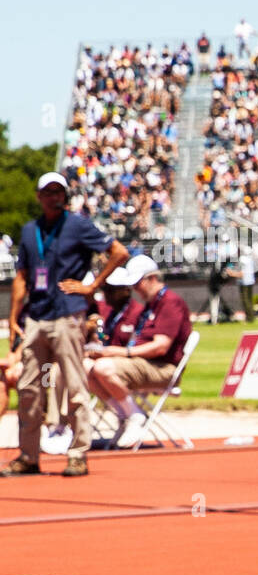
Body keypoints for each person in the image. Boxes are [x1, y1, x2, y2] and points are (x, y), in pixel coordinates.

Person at [3, 173, 127, 477]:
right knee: (29, 387)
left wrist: (92, 286)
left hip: (68, 314)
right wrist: (14, 314)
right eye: (48, 192)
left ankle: (78, 453)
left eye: (58, 192)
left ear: (65, 195)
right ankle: (29, 455)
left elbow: (119, 251)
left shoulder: (78, 225)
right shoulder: (31, 230)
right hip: (37, 316)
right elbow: (22, 276)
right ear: (39, 196)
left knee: (74, 384)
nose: (53, 197)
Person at [85, 255, 192, 449]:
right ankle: (125, 414)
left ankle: (135, 415)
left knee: (103, 367)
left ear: (151, 279)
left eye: (137, 283)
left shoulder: (170, 302)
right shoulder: (151, 304)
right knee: (85, 368)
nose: (134, 289)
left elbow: (160, 347)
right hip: (142, 364)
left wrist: (120, 352)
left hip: (162, 369)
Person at [237, 247, 257, 321]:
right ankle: (251, 316)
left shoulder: (242, 259)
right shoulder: (251, 259)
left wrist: (231, 273)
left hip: (244, 282)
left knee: (245, 300)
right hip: (250, 281)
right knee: (250, 300)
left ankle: (249, 317)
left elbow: (241, 274)